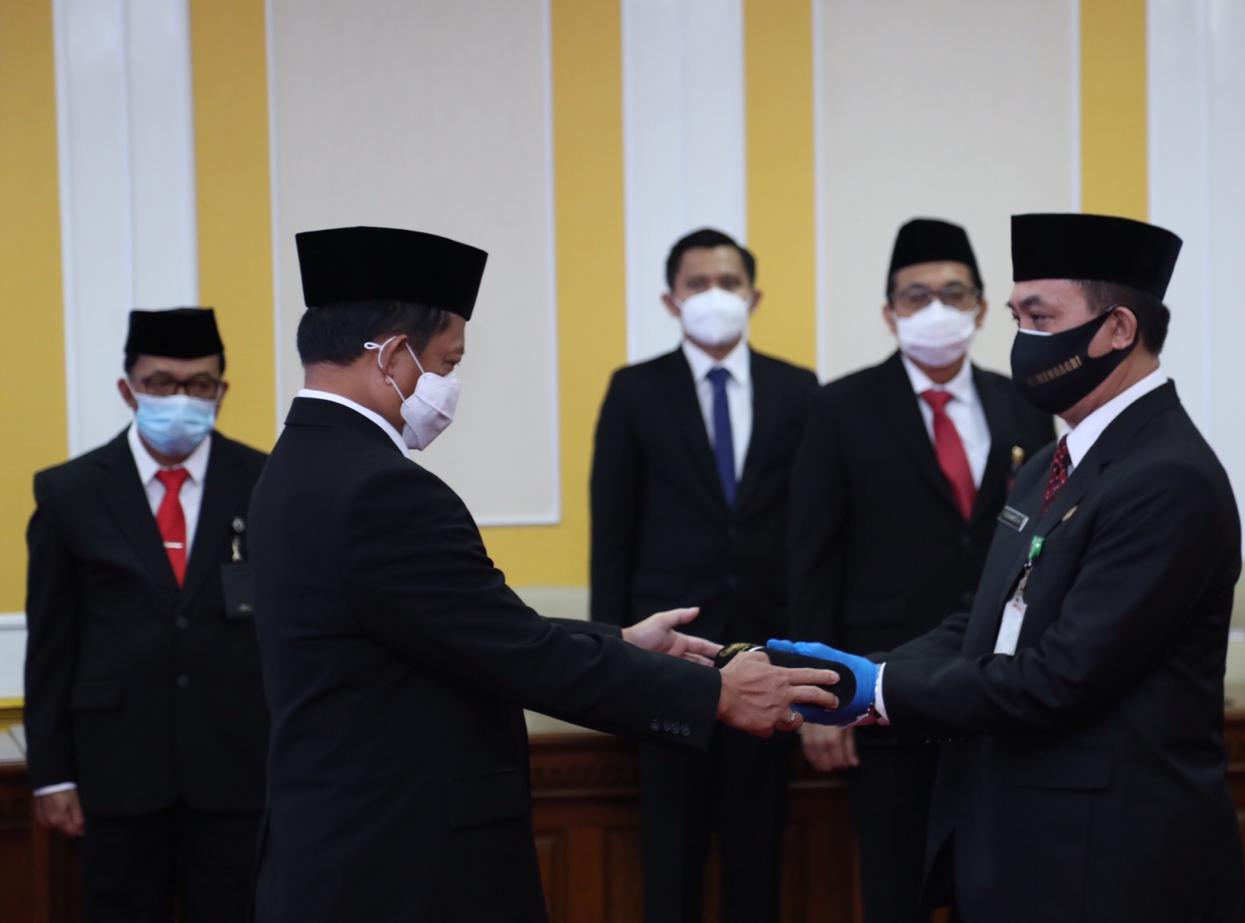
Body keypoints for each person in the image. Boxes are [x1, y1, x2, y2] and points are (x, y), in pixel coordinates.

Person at [249, 225, 839, 923]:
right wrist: (713, 691)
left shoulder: (294, 467)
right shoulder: (381, 488)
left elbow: (459, 628)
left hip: (341, 843)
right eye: (447, 362)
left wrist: (620, 640)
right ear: (394, 355)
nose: (449, 386)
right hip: (401, 859)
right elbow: (512, 651)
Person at [773, 213, 1245, 922]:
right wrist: (854, 672)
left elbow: (1060, 677)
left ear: (1118, 329)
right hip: (1021, 842)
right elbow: (987, 617)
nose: (1023, 340)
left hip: (1111, 862)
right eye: (1018, 318)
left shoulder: (1166, 477)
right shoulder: (1051, 463)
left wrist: (883, 690)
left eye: (1041, 317)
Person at [786, 218, 1055, 921]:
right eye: (916, 295)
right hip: (884, 689)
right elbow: (812, 561)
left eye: (954, 293)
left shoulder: (1023, 403)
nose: (936, 309)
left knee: (996, 886)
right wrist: (820, 695)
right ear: (889, 313)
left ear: (980, 306)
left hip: (995, 690)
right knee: (896, 886)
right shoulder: (839, 408)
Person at [590, 227, 819, 923]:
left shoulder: (798, 389)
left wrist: (813, 650)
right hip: (668, 663)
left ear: (754, 296)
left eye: (728, 283)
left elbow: (814, 532)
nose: (714, 296)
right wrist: (609, 661)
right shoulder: (634, 390)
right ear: (671, 299)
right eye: (697, 284)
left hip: (769, 656)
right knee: (671, 856)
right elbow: (613, 532)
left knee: (759, 854)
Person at [25, 307, 268, 923]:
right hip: (115, 772)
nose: (179, 398)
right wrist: (51, 775)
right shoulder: (70, 493)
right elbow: (51, 644)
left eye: (198, 384)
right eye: (161, 382)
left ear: (222, 392)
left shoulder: (266, 482)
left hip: (239, 768)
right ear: (127, 388)